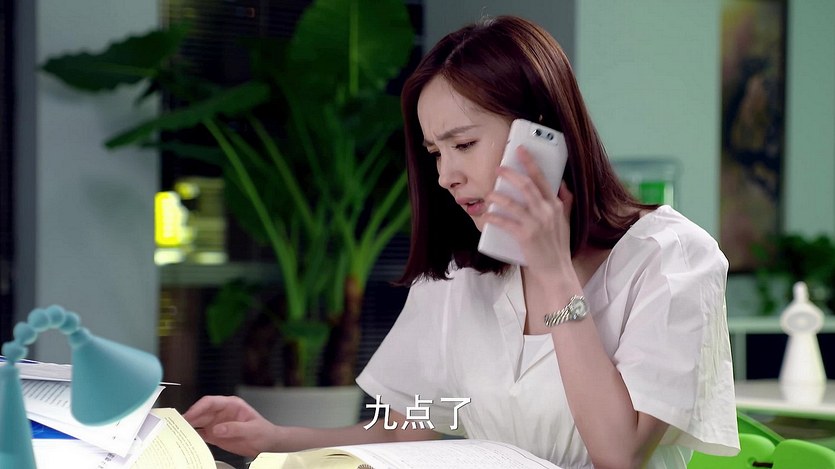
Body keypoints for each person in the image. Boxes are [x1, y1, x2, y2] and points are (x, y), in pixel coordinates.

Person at [184, 15, 739, 469]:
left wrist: (551, 270)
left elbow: (619, 454)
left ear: (541, 135)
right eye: (435, 153)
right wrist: (273, 437)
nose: (446, 176)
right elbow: (404, 432)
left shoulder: (672, 257)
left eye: (464, 144)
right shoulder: (462, 273)